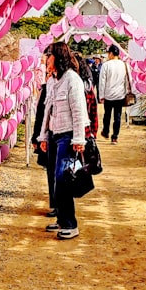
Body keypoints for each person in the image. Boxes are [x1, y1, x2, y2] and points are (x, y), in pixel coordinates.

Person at [36, 43, 88, 240]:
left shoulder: (72, 80)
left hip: (68, 136)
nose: (45, 61)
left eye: (48, 57)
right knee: (55, 178)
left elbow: (78, 111)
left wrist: (78, 139)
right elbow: (47, 111)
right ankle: (61, 218)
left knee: (63, 178)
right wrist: (43, 136)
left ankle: (70, 224)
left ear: (56, 57)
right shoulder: (52, 81)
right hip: (54, 135)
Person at [31, 46, 57, 218]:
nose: (47, 65)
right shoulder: (50, 84)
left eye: (49, 61)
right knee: (53, 171)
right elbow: (42, 113)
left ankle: (59, 207)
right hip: (50, 134)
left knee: (57, 172)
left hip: (59, 134)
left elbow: (42, 113)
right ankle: (57, 205)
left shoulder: (64, 83)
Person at [98, 44, 131, 144]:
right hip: (120, 95)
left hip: (108, 95)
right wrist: (127, 91)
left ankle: (106, 131)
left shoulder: (106, 65)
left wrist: (101, 96)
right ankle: (115, 137)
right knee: (117, 116)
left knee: (107, 115)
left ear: (111, 53)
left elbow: (102, 81)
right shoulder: (124, 64)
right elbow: (128, 80)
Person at [73, 51, 99, 139]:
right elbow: (93, 112)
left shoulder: (86, 88)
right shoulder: (87, 87)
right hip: (78, 131)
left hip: (83, 131)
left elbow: (93, 111)